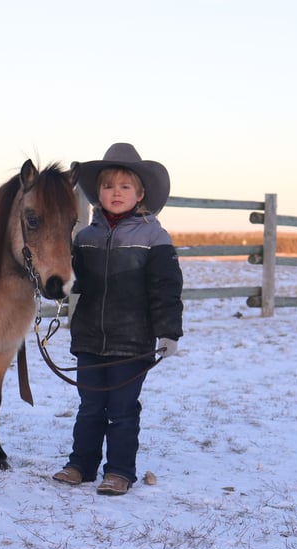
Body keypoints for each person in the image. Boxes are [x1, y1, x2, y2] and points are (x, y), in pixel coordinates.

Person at [52, 143, 183, 495]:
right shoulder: (86, 238)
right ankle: (81, 465)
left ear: (141, 194)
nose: (116, 193)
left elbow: (166, 288)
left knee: (122, 410)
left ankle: (121, 471)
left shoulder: (154, 237)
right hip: (90, 338)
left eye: (125, 187)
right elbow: (71, 281)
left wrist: (168, 332)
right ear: (98, 193)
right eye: (109, 186)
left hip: (132, 340)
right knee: (90, 407)